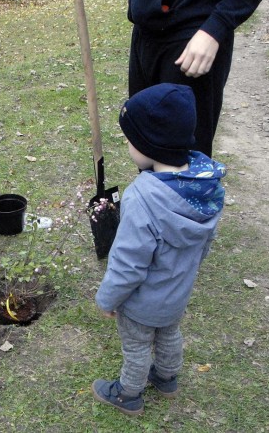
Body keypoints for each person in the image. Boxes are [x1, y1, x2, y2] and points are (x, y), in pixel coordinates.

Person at [59, 0, 269, 157]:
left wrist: (215, 30)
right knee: (145, 146)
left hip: (191, 43)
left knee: (181, 161)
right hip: (146, 34)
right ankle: (151, 197)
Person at [90, 83, 226, 415]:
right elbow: (204, 245)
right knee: (168, 334)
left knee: (137, 346)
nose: (126, 143)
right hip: (178, 294)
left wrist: (108, 299)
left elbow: (128, 263)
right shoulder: (206, 185)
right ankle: (166, 377)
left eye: (130, 138)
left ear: (150, 144)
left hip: (142, 303)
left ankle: (128, 394)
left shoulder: (143, 197)